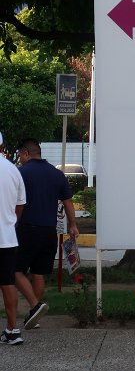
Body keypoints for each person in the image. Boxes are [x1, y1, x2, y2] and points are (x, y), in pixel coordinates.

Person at [15, 138, 79, 330]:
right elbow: (68, 202)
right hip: (49, 232)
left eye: (20, 155)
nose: (20, 159)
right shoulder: (57, 174)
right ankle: (34, 316)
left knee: (14, 270)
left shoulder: (21, 173)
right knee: (39, 273)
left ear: (26, 153)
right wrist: (73, 225)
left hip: (26, 229)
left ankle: (35, 306)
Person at [0, 132, 26, 345]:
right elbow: (20, 204)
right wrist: (11, 222)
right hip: (7, 238)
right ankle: (12, 329)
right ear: (2, 147)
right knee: (8, 283)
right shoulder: (13, 170)